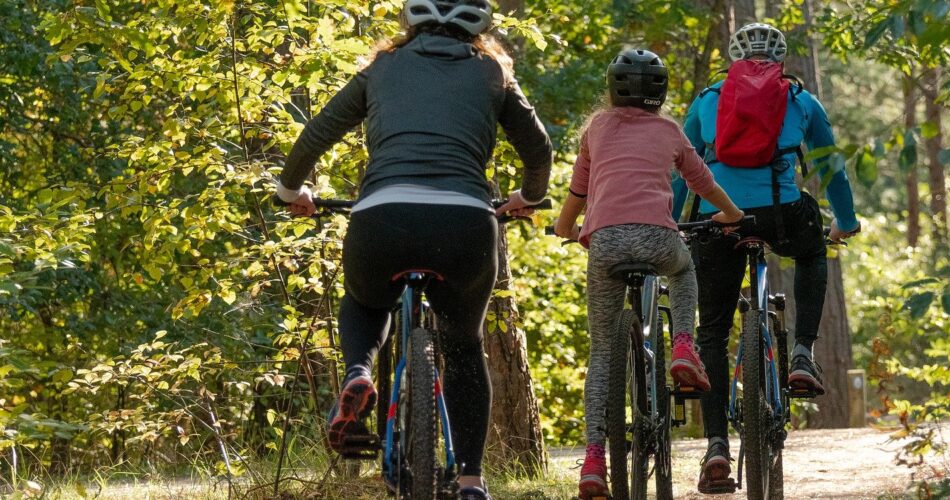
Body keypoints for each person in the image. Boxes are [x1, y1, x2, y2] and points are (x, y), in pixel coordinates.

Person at [276, 1, 552, 497]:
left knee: (364, 300)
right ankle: (470, 480)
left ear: (411, 21)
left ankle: (360, 371)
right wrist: (529, 197)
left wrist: (291, 191)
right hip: (464, 221)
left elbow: (319, 130)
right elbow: (538, 148)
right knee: (465, 348)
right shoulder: (492, 72)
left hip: (383, 215)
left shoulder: (382, 66)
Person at [672, 22, 861, 493]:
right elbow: (830, 167)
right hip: (781, 215)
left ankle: (716, 445)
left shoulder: (708, 98)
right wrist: (846, 220)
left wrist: (673, 220)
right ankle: (801, 353)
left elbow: (679, 168)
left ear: (735, 57)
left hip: (718, 218)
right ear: (780, 58)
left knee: (712, 331)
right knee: (813, 253)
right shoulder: (800, 100)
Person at [553, 49, 745, 499]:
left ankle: (594, 461)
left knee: (602, 355)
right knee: (684, 270)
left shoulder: (596, 129)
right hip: (660, 240)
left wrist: (566, 228)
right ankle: (682, 345)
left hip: (604, 245)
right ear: (660, 94)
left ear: (612, 88)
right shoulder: (670, 131)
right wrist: (732, 214)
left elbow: (578, 190)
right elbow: (702, 182)